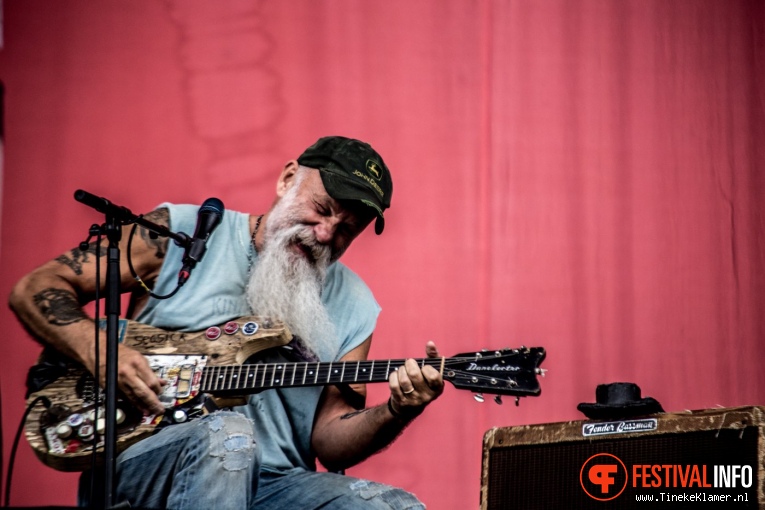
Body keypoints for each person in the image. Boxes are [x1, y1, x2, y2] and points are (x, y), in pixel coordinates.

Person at [9, 136, 444, 509]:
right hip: (146, 464)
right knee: (230, 433)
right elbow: (37, 287)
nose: (325, 234)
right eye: (321, 208)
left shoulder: (355, 305)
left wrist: (397, 410)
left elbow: (329, 440)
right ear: (288, 178)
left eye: (347, 229)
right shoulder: (184, 232)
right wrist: (101, 351)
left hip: (273, 485)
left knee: (395, 506)